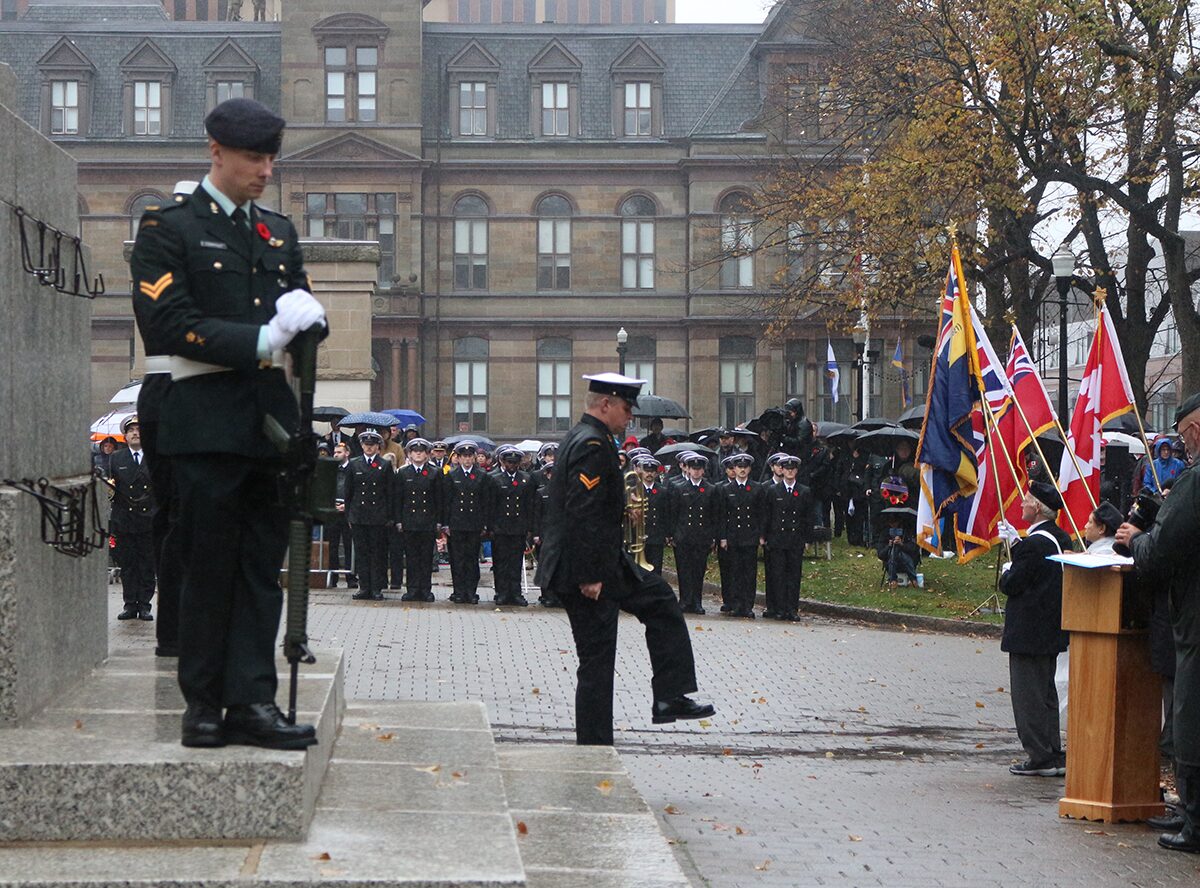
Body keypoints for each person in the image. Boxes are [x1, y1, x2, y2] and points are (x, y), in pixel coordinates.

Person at [129, 97, 321, 750]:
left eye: (270, 157)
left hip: (268, 426)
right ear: (216, 152)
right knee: (207, 566)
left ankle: (253, 702)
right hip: (204, 422)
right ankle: (204, 705)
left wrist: (307, 324)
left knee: (260, 570)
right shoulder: (169, 227)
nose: (264, 169)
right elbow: (169, 323)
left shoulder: (276, 233)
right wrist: (262, 341)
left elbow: (297, 300)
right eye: (251, 157)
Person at [535, 372, 714, 746]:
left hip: (599, 562)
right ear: (605, 405)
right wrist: (589, 575)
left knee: (661, 602)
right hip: (585, 569)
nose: (630, 415)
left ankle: (669, 696)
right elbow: (583, 512)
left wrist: (621, 510)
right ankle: (595, 747)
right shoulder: (592, 445)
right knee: (597, 662)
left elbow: (593, 506)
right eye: (625, 407)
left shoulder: (588, 438)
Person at [1119, 391, 1200, 853]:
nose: (1184, 446)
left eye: (1185, 437)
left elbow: (1161, 551)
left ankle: (1195, 823)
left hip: (1194, 623)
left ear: (1194, 430)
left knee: (1189, 722)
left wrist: (1137, 539)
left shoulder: (1193, 483)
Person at [997, 481, 1073, 777]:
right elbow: (1039, 574)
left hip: (1028, 633)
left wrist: (1007, 569)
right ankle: (1052, 750)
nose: (1021, 504)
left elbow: (1014, 583)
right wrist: (1018, 545)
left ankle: (1039, 756)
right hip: (1049, 629)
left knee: (1029, 697)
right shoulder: (1057, 536)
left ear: (1038, 508)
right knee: (1046, 694)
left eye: (1026, 500)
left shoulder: (1034, 544)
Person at [108, 415, 156, 621]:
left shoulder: (155, 457)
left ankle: (145, 605)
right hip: (125, 519)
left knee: (146, 564)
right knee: (128, 565)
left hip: (148, 518)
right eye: (131, 430)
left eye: (139, 429)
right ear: (125, 436)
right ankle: (129, 604)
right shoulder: (117, 458)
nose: (136, 433)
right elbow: (112, 488)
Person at [761, 454, 817, 621]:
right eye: (787, 469)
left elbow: (808, 517)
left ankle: (792, 609)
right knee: (777, 575)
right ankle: (778, 608)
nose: (790, 472)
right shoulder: (772, 490)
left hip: (795, 539)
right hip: (777, 539)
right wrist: (764, 536)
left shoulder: (804, 491)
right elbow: (767, 515)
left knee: (793, 576)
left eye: (793, 469)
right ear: (782, 470)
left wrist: (808, 539)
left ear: (796, 471)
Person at [345, 428, 392, 602]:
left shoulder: (384, 464)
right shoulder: (354, 464)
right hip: (358, 515)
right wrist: (349, 515)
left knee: (377, 553)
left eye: (372, 445)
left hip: (378, 516)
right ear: (362, 445)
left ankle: (376, 588)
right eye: (366, 444)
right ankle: (364, 587)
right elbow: (349, 493)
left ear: (378, 446)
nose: (369, 448)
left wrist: (388, 517)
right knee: (362, 553)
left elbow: (389, 493)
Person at [716, 452, 764, 618]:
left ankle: (747, 605)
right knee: (735, 572)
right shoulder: (726, 489)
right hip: (733, 536)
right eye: (739, 467)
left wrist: (760, 535)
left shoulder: (757, 488)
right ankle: (736, 604)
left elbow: (760, 514)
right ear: (734, 469)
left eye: (745, 467)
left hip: (750, 535)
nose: (742, 470)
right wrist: (722, 537)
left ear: (749, 469)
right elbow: (722, 515)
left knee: (749, 573)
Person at [394, 437, 442, 602]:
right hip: (409, 521)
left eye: (422, 451)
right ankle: (412, 589)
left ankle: (425, 590)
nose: (418, 454)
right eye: (415, 451)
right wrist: (398, 520)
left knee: (426, 558)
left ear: (428, 454)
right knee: (412, 558)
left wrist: (438, 522)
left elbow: (438, 499)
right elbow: (398, 499)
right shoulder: (403, 473)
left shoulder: (435, 473)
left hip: (427, 522)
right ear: (409, 454)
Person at [442, 440, 488, 604]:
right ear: (458, 458)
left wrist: (484, 523)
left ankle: (471, 591)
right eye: (464, 456)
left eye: (470, 456)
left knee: (471, 559)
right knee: (457, 559)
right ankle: (459, 591)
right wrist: (445, 523)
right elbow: (446, 501)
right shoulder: (452, 476)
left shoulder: (482, 476)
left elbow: (484, 501)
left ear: (474, 458)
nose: (467, 460)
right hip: (456, 523)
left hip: (474, 523)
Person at [671, 452, 718, 615]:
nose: (696, 472)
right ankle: (684, 600)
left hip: (702, 536)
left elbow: (713, 515)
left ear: (703, 470)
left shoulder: (710, 489)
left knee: (698, 570)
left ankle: (697, 601)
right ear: (688, 470)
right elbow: (674, 513)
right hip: (683, 535)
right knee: (683, 570)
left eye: (699, 469)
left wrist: (712, 537)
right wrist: (673, 535)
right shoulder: (679, 488)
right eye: (693, 468)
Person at [489, 445, 534, 606]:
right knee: (501, 562)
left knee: (515, 562)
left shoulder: (526, 479)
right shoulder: (495, 478)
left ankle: (515, 593)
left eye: (515, 462)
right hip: (501, 527)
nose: (512, 465)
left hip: (518, 526)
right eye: (509, 462)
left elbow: (529, 505)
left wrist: (529, 528)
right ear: (502, 461)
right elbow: (491, 505)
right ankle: (501, 592)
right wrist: (491, 527)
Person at [636, 456, 675, 575]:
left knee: (655, 569)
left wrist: (667, 534)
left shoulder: (662, 491)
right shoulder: (635, 490)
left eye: (652, 472)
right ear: (641, 472)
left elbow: (666, 513)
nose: (649, 474)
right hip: (639, 535)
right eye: (647, 471)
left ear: (656, 473)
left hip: (656, 535)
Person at [328, 441, 356, 590]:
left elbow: (356, 490)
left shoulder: (353, 468)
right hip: (334, 512)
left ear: (347, 453)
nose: (336, 455)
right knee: (332, 546)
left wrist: (347, 505)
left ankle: (351, 577)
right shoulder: (331, 470)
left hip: (348, 512)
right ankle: (332, 577)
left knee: (348, 545)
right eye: (334, 452)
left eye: (339, 452)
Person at [875, 510, 921, 587]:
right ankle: (911, 578)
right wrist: (888, 546)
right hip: (890, 562)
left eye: (895, 522)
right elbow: (880, 554)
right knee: (894, 552)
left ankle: (894, 579)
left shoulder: (908, 532)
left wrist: (902, 545)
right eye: (891, 523)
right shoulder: (885, 533)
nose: (893, 525)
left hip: (908, 561)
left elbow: (915, 549)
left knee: (900, 553)